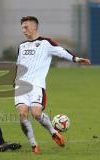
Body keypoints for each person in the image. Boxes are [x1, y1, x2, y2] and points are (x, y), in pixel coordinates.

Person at [14, 16, 91, 154]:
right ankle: (34, 145)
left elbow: (62, 51)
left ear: (34, 27)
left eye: (26, 27)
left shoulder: (46, 43)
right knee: (22, 114)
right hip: (21, 86)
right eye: (22, 28)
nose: (23, 30)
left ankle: (53, 132)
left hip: (36, 85)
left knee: (36, 114)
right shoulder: (22, 46)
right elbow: (18, 64)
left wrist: (76, 59)